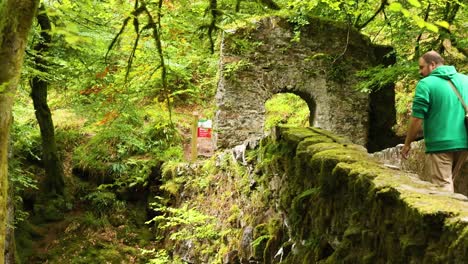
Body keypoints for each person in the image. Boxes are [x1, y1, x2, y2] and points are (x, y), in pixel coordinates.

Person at [401, 50, 468, 192]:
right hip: (464, 142)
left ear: (432, 65)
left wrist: (407, 143)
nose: (420, 72)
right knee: (449, 180)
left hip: (440, 144)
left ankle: (450, 213)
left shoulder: (426, 84)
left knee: (442, 186)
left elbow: (417, 118)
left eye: (421, 67)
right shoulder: (465, 80)